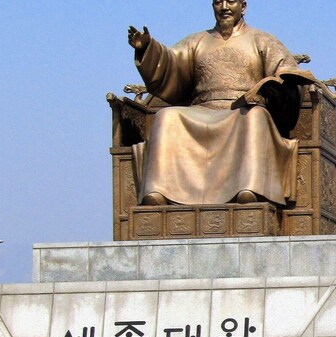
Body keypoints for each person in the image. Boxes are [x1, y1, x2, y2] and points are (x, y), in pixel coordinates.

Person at [128, 0, 318, 207]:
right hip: (201, 109)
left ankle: (250, 188)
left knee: (255, 116)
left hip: (243, 110)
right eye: (218, 2)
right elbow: (171, 62)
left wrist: (279, 89)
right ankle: (159, 190)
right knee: (167, 116)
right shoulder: (197, 40)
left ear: (243, 7)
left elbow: (288, 72)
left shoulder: (263, 40)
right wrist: (147, 48)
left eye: (231, 1)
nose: (225, 7)